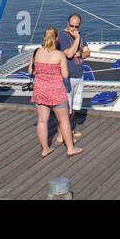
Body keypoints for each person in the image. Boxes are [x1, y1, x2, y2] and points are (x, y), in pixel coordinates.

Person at [31, 27, 82, 157]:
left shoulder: (37, 52)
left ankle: (45, 149)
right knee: (64, 120)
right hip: (55, 91)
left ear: (44, 37)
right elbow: (65, 75)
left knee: (42, 120)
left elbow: (32, 71)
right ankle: (70, 148)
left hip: (40, 90)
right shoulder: (59, 55)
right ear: (57, 38)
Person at [57, 14, 88, 132]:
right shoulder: (63, 37)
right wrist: (76, 39)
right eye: (71, 26)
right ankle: (62, 133)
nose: (74, 29)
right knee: (66, 108)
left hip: (79, 75)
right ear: (67, 23)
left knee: (75, 107)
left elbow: (87, 52)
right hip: (68, 77)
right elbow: (69, 54)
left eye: (76, 26)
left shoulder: (80, 35)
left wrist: (80, 54)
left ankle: (68, 130)